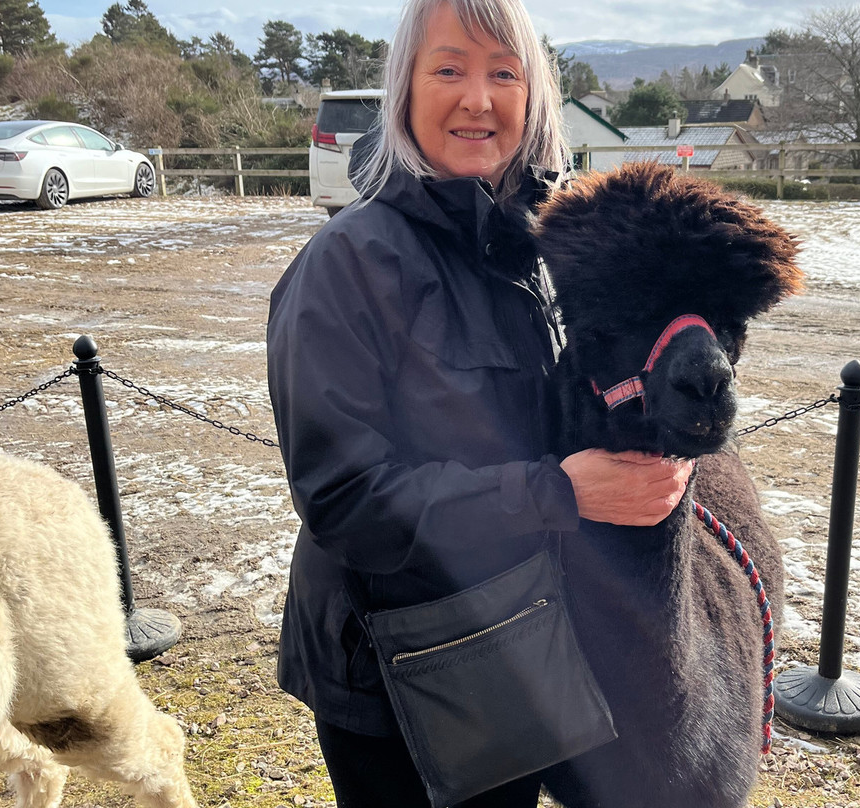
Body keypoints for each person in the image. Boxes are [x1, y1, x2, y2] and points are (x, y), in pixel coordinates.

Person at [266, 0, 693, 805]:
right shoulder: (347, 262)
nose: (478, 97)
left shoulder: (539, 250)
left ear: (533, 97)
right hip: (399, 668)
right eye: (450, 68)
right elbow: (346, 499)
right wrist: (560, 492)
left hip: (520, 644)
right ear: (404, 91)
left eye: (505, 72)